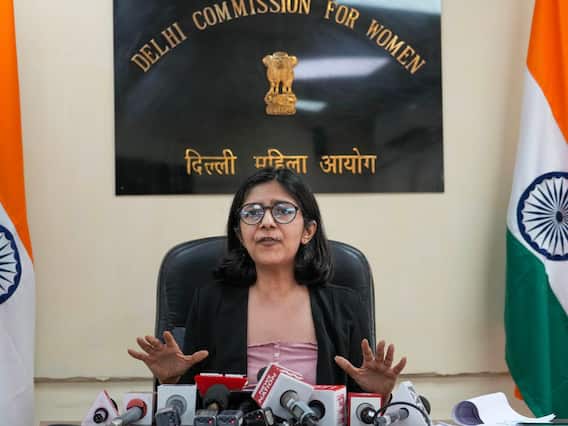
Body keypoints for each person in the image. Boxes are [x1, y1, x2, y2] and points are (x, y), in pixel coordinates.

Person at [128, 167, 406, 396]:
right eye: (252, 213)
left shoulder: (345, 306)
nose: (267, 222)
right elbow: (193, 408)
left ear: (308, 231)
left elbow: (360, 411)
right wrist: (172, 381)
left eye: (283, 211)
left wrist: (378, 395)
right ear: (240, 234)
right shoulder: (210, 301)